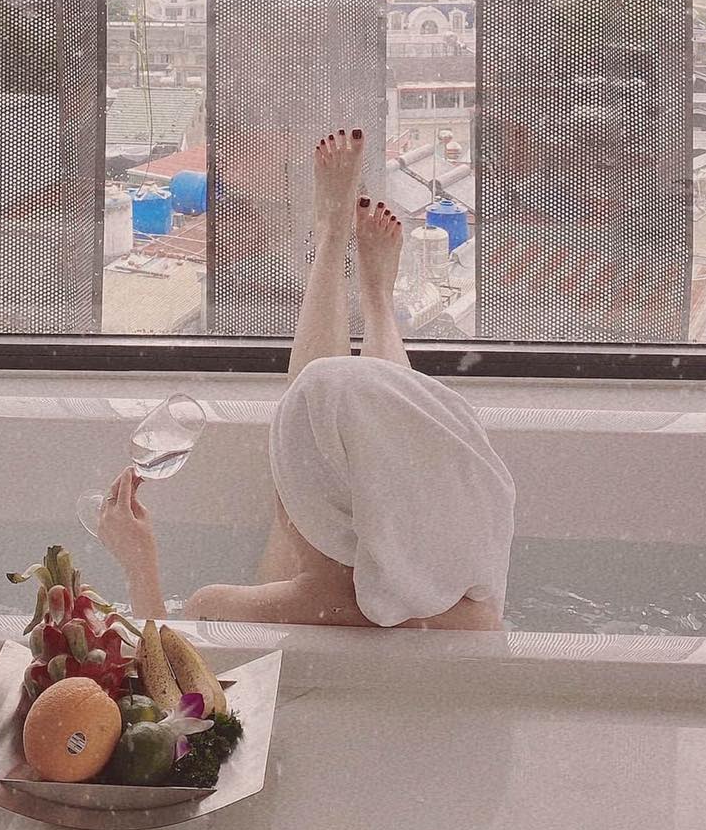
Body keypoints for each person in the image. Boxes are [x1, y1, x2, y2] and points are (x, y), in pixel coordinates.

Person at [97, 128, 516, 630]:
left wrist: (138, 564)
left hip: (301, 604)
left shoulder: (222, 608)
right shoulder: (473, 619)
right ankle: (377, 301)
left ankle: (331, 238)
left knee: (315, 421)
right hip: (404, 611)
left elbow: (161, 670)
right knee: (383, 422)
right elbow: (397, 465)